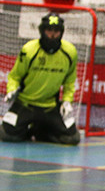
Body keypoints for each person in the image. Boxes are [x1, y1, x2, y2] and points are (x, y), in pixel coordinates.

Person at [1, 13, 80, 145]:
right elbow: (15, 76)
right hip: (25, 104)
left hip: (50, 107)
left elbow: (70, 81)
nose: (52, 35)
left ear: (61, 32)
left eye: (56, 31)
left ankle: (40, 130)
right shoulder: (29, 50)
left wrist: (67, 101)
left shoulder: (70, 52)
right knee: (7, 134)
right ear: (42, 31)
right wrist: (11, 90)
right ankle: (28, 129)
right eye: (49, 30)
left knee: (72, 138)